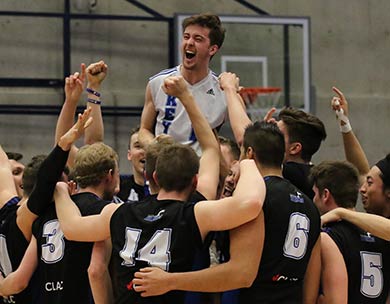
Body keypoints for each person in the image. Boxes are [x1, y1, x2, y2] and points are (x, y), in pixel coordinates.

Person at [133, 122, 321, 304]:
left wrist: (170, 281)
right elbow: (311, 283)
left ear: (249, 154)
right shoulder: (310, 207)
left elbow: (240, 274)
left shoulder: (253, 198)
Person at [0, 108, 92, 303]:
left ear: (23, 184)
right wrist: (63, 145)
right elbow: (45, 185)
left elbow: (2, 165)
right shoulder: (24, 219)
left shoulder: (6, 204)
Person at [219, 72, 326, 199]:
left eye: (278, 135)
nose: (273, 138)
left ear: (294, 148)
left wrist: (230, 89)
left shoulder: (292, 172)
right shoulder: (308, 171)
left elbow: (245, 139)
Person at [139, 13, 227, 154]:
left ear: (212, 49)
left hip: (202, 170)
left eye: (198, 39)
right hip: (163, 168)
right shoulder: (157, 83)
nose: (189, 42)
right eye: (186, 37)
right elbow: (143, 130)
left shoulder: (222, 91)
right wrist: (154, 147)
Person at [310, 160, 390, 303]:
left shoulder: (328, 236)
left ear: (325, 195)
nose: (313, 199)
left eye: (315, 193)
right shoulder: (381, 236)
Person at [116, 126, 148, 202]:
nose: (144, 152)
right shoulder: (118, 186)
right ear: (129, 155)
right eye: (138, 146)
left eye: (148, 146)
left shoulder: (167, 189)